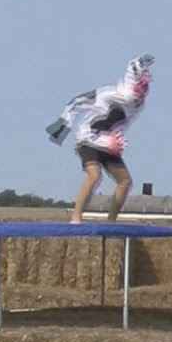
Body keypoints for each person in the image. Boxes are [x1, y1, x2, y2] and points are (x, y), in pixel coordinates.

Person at [45, 55, 154, 223]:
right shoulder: (112, 94)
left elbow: (123, 120)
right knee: (94, 175)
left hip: (108, 142)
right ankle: (76, 216)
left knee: (125, 182)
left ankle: (111, 221)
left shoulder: (140, 104)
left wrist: (114, 137)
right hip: (89, 138)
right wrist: (63, 123)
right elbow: (79, 100)